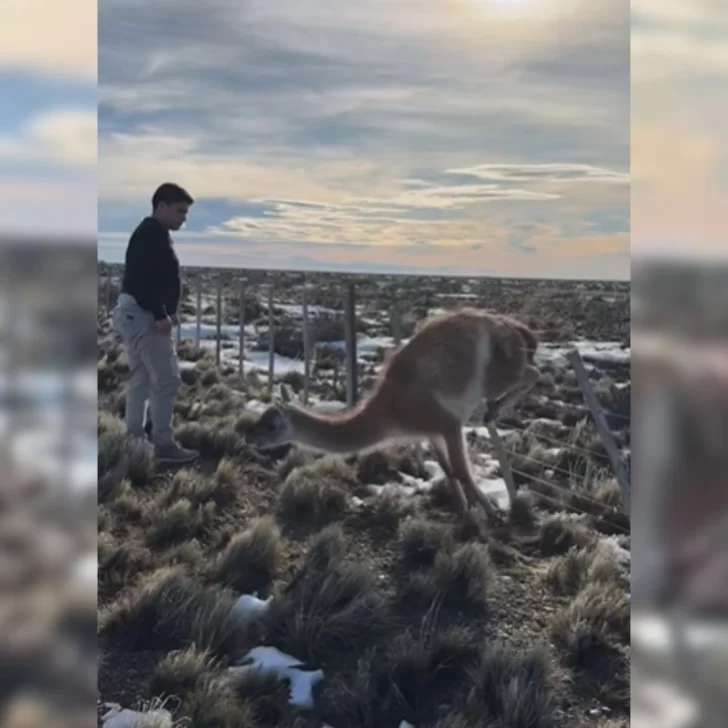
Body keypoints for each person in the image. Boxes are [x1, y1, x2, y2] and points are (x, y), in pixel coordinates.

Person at [111, 182, 199, 464]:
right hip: (145, 317)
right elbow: (145, 279)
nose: (184, 217)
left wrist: (165, 311)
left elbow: (147, 279)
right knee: (166, 381)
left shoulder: (150, 233)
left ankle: (135, 439)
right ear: (161, 206)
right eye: (180, 211)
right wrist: (162, 314)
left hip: (136, 314)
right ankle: (162, 443)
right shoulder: (151, 235)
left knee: (142, 380)